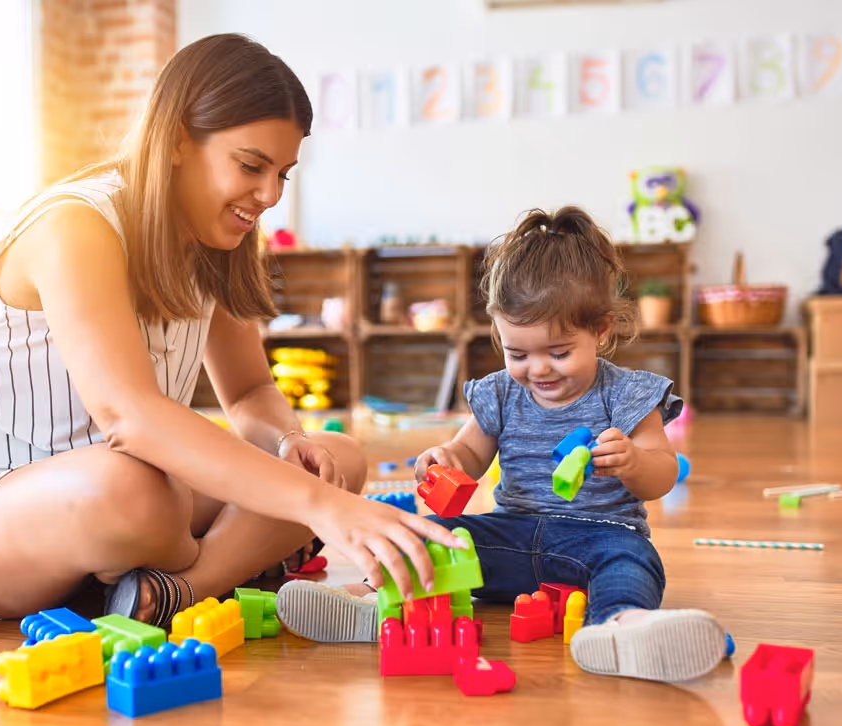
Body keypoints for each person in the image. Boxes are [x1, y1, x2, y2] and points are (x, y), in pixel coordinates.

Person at [0, 33, 465, 634]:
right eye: (251, 166)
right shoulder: (75, 225)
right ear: (181, 139)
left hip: (135, 500)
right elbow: (128, 416)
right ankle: (218, 562)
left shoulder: (220, 241)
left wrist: (292, 443)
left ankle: (174, 591)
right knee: (144, 492)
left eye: (283, 175)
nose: (269, 196)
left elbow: (249, 394)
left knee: (335, 461)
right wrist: (319, 509)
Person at [276, 206, 726, 683]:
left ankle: (620, 627)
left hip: (598, 535)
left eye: (559, 353)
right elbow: (469, 455)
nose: (539, 369)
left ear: (600, 329)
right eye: (518, 353)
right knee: (436, 534)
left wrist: (634, 462)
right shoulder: (500, 393)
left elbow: (662, 473)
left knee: (632, 559)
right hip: (511, 536)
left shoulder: (628, 394)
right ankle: (377, 602)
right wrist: (445, 459)